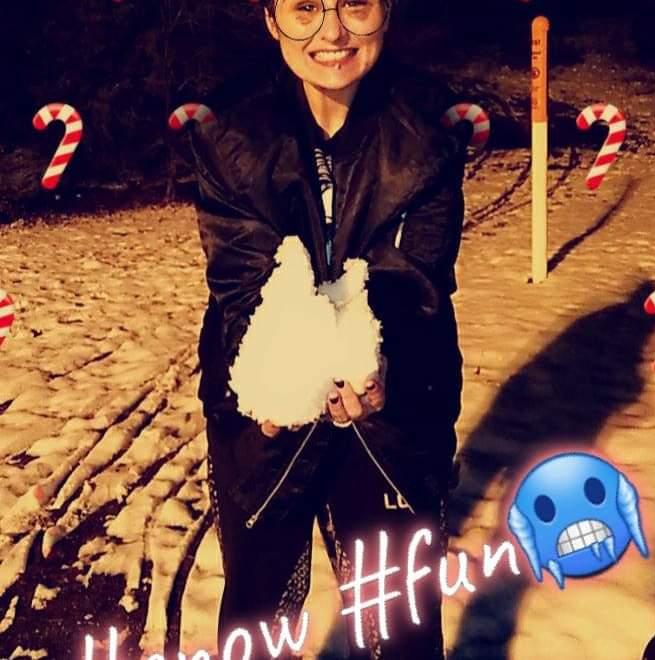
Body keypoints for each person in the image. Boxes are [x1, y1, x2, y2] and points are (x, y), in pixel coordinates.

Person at [189, 0, 466, 657]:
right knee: (262, 619)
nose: (333, 32)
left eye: (355, 4)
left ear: (387, 9)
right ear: (271, 18)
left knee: (396, 626)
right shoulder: (230, 130)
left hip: (396, 420)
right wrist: (272, 376)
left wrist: (383, 361)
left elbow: (416, 279)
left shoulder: (427, 127)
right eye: (306, 7)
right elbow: (242, 279)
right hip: (262, 431)